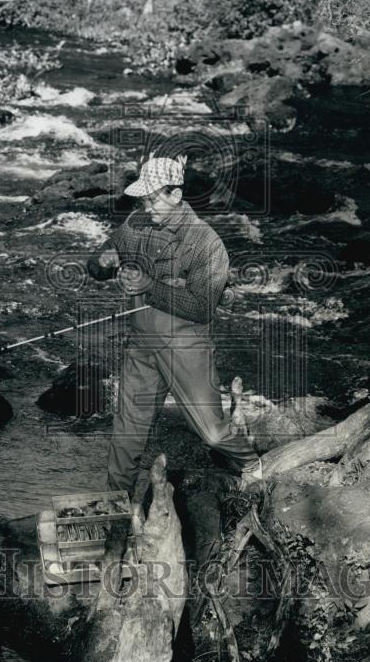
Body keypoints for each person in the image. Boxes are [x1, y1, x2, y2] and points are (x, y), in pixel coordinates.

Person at [87, 153, 263, 500]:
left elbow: (201, 308)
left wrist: (146, 286)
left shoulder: (207, 244)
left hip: (187, 346)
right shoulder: (136, 224)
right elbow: (100, 260)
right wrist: (101, 263)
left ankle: (253, 464)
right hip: (142, 346)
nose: (146, 206)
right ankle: (117, 511)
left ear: (176, 195)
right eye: (143, 199)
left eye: (153, 199)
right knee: (126, 438)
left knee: (212, 433)